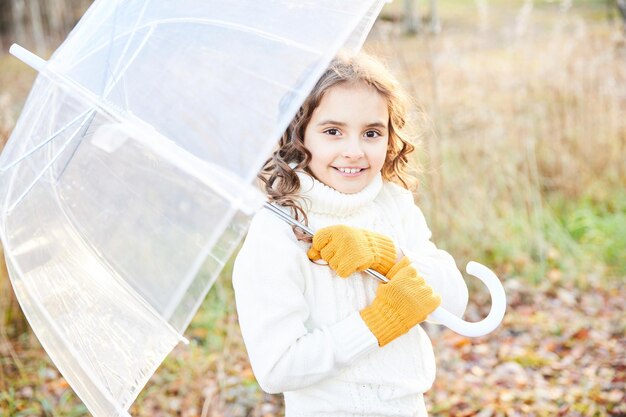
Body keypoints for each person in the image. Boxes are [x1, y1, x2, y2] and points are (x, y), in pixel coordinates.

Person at [232, 52, 469, 417]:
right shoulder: (278, 229)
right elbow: (277, 367)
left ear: (390, 137)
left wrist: (390, 257)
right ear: (299, 135)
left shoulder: (391, 202)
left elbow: (454, 305)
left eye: (372, 133)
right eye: (332, 132)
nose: (354, 151)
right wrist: (377, 323)